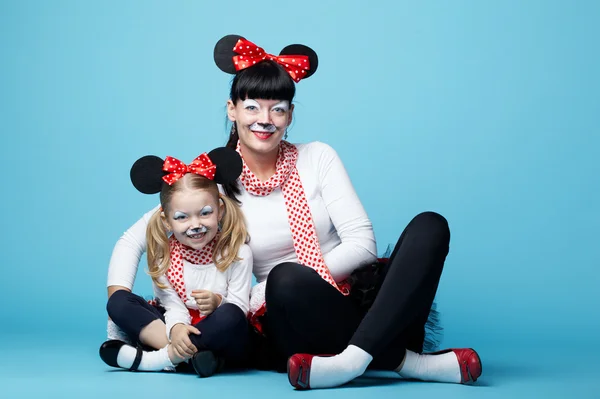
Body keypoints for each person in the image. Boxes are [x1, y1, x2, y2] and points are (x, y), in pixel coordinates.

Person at [213, 34, 482, 389]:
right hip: (294, 318)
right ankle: (408, 362)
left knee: (430, 225)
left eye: (277, 108)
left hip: (369, 308)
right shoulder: (218, 183)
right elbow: (210, 262)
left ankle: (353, 361)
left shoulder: (318, 156)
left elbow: (362, 245)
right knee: (285, 278)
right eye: (252, 107)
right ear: (232, 109)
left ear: (290, 115)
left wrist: (266, 288)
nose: (265, 120)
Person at [101, 147, 252, 377]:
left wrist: (217, 302)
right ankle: (196, 358)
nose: (195, 225)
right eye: (182, 217)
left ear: (220, 211)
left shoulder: (238, 252)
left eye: (205, 213)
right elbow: (172, 305)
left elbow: (240, 305)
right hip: (176, 327)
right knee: (118, 302)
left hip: (220, 329)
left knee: (231, 316)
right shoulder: (165, 257)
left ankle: (159, 359)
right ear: (166, 221)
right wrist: (178, 328)